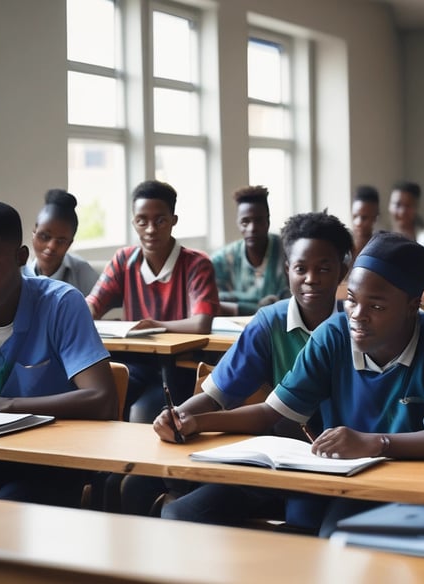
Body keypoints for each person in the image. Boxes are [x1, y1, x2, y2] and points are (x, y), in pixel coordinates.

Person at [154, 232, 424, 535]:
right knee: (182, 515)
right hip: (331, 474)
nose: (357, 315)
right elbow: (271, 413)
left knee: (332, 535)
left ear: (412, 305)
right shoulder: (335, 333)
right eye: (351, 299)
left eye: (376, 306)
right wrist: (194, 421)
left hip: (400, 483)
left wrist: (375, 443)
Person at [121, 210, 353, 516]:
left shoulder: (356, 327)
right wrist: (177, 416)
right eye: (301, 268)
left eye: (324, 268)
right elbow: (217, 396)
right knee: (136, 484)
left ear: (343, 269)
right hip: (273, 456)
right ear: (287, 269)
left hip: (335, 459)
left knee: (188, 511)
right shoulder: (271, 323)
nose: (311, 279)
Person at [0, 200, 116, 505]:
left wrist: (3, 405)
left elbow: (102, 400)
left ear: (21, 257)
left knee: (9, 504)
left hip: (54, 460)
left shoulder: (61, 304)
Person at [87, 180, 219, 422]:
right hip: (134, 359)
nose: (150, 229)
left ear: (174, 220)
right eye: (142, 221)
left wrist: (155, 324)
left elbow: (201, 324)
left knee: (169, 413)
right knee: (109, 393)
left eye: (160, 220)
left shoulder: (196, 263)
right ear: (133, 222)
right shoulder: (123, 260)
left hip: (181, 365)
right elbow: (92, 305)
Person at [211, 185, 289, 316]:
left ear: (268, 221)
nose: (252, 228)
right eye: (245, 222)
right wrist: (258, 308)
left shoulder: (288, 251)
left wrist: (236, 307)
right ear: (238, 224)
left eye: (258, 221)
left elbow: (294, 302)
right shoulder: (221, 259)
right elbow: (210, 302)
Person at [22, 189, 99, 296]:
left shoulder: (82, 273)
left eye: (61, 241)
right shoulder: (21, 272)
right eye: (45, 236)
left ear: (69, 243)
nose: (52, 246)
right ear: (34, 232)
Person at [350, 185, 380, 263]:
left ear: (375, 217)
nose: (358, 223)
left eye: (364, 217)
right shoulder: (343, 249)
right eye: (355, 216)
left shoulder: (380, 250)